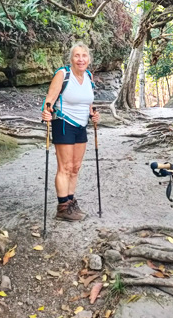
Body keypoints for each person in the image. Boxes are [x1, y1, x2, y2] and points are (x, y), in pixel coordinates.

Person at [41, 41, 100, 221]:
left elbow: (88, 103)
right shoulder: (63, 74)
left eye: (84, 56)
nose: (80, 59)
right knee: (65, 167)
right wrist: (46, 112)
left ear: (88, 59)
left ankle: (71, 202)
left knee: (75, 167)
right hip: (64, 123)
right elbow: (49, 100)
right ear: (71, 59)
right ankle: (62, 207)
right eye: (77, 56)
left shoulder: (88, 76)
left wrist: (94, 115)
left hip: (81, 125)